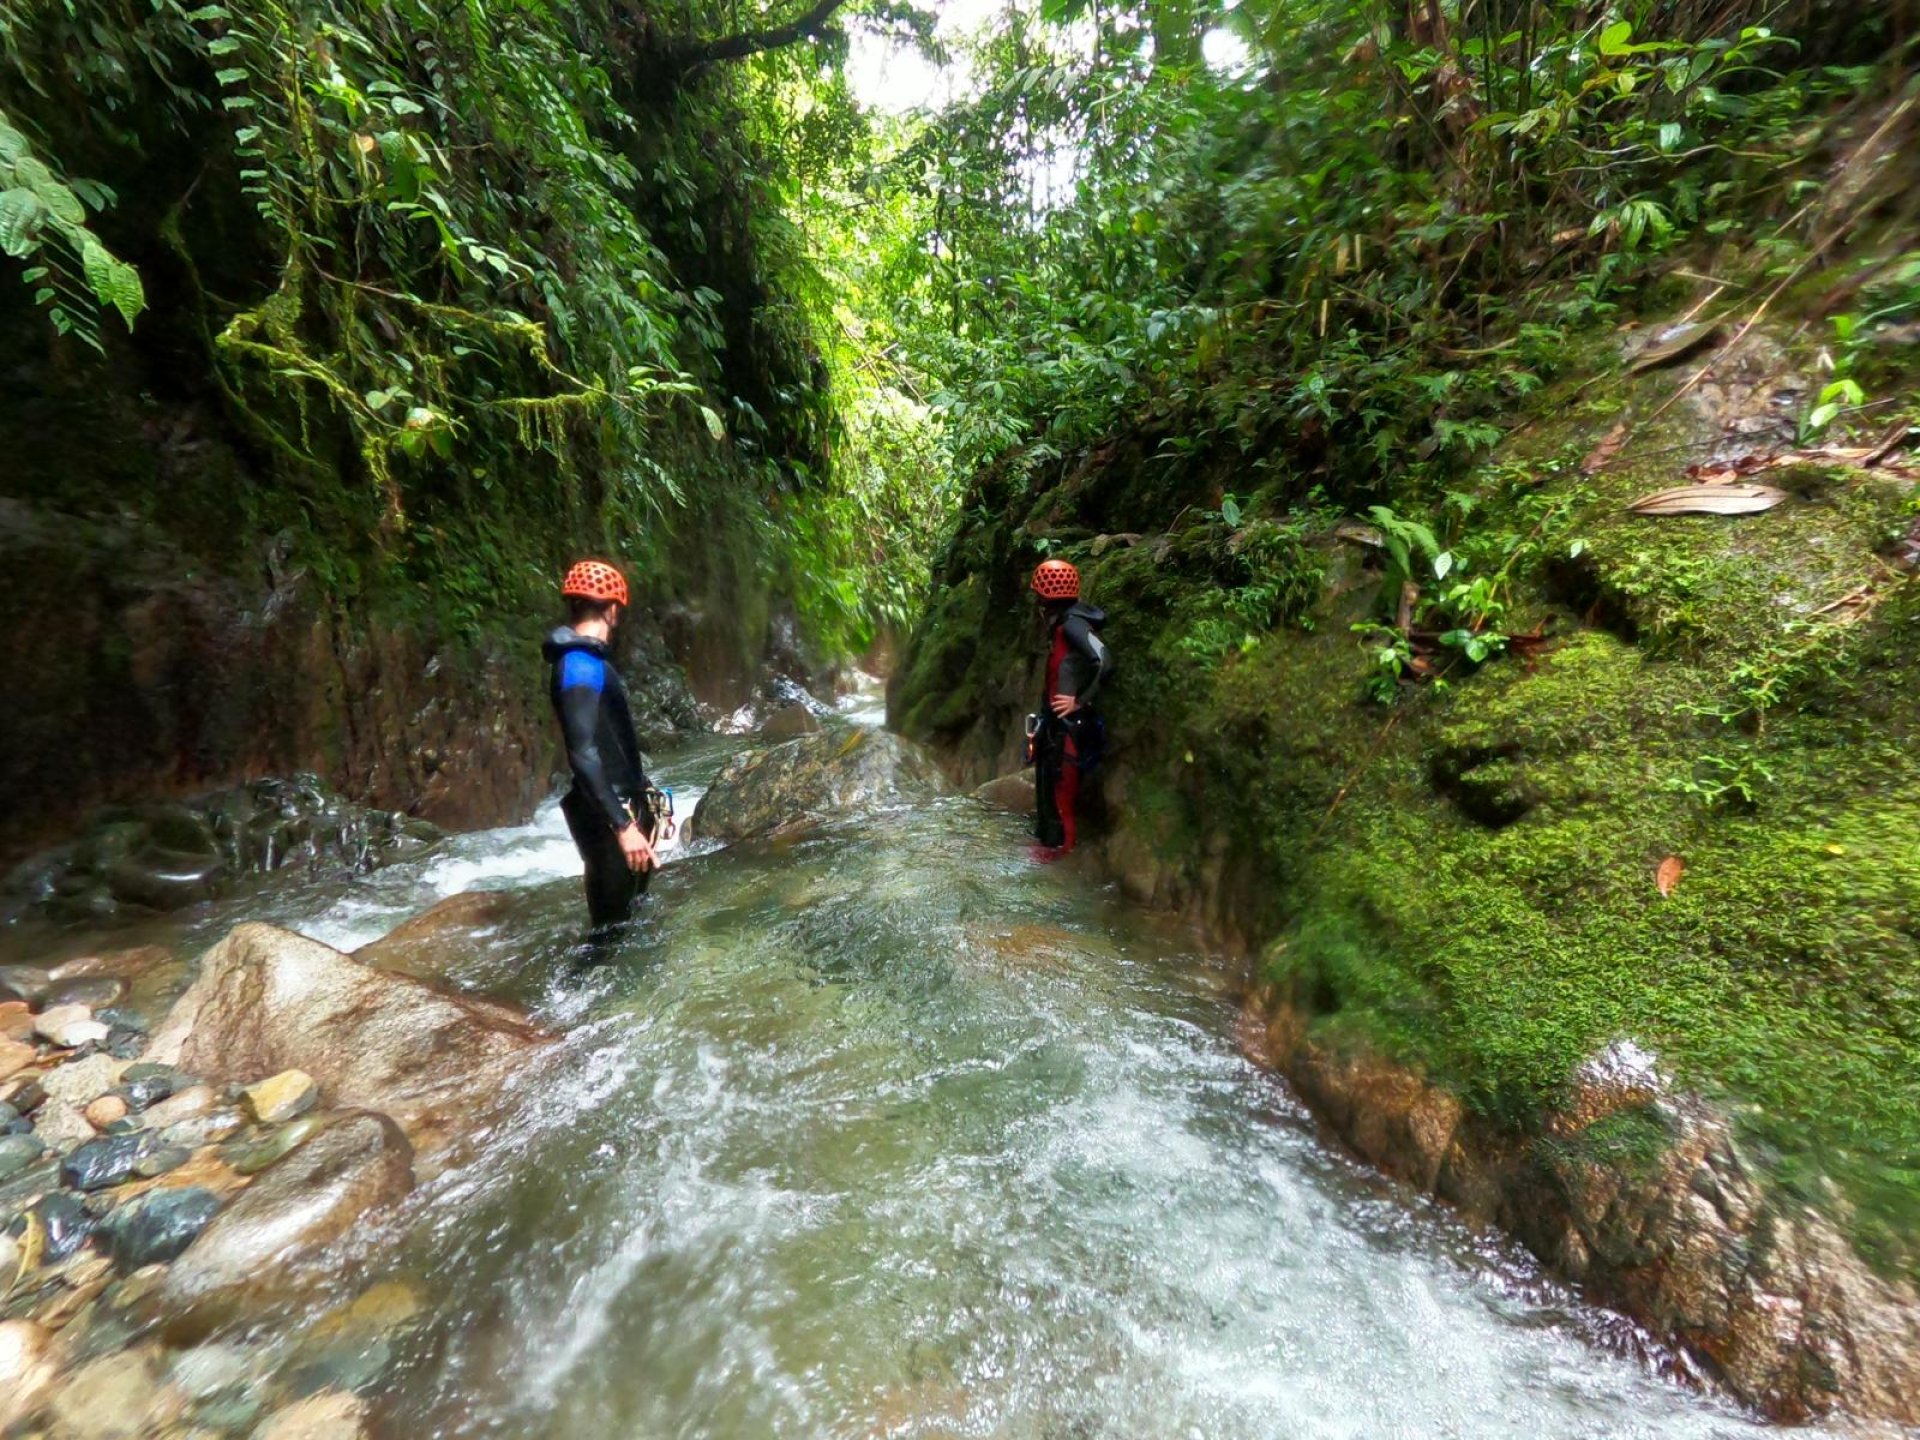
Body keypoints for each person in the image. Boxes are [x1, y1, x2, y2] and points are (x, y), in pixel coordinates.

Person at [544, 559, 659, 935]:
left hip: (612, 806)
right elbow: (583, 751)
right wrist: (623, 826)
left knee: (629, 919)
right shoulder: (579, 665)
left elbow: (606, 745)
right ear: (612, 609)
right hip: (607, 816)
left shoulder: (584, 661)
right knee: (610, 935)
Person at [1028, 559, 1111, 855]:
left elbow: (1104, 661)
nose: (1036, 598)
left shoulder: (1074, 625)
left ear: (1050, 594)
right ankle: (1047, 845)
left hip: (1070, 728)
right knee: (1049, 787)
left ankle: (1061, 853)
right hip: (1055, 726)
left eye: (1039, 592)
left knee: (1062, 794)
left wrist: (1080, 701)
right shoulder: (1060, 625)